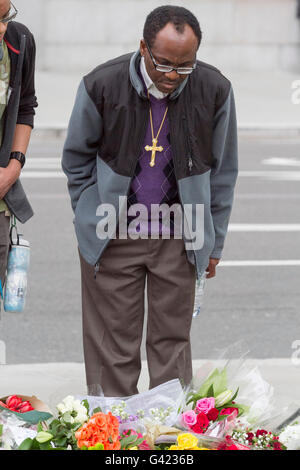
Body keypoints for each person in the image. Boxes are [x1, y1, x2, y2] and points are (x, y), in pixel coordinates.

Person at [62, 5, 238, 397]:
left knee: (171, 347)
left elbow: (223, 174)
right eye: (164, 64)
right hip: (112, 233)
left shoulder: (215, 90)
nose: (173, 76)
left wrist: (215, 242)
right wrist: (90, 213)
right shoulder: (101, 84)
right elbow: (76, 158)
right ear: (143, 47)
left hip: (180, 236)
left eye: (184, 66)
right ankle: (113, 437)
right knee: (112, 348)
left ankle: (168, 438)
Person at [0, 0, 37, 290]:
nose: (2, 29)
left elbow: (25, 106)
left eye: (5, 16)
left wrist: (14, 165)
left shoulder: (19, 40)